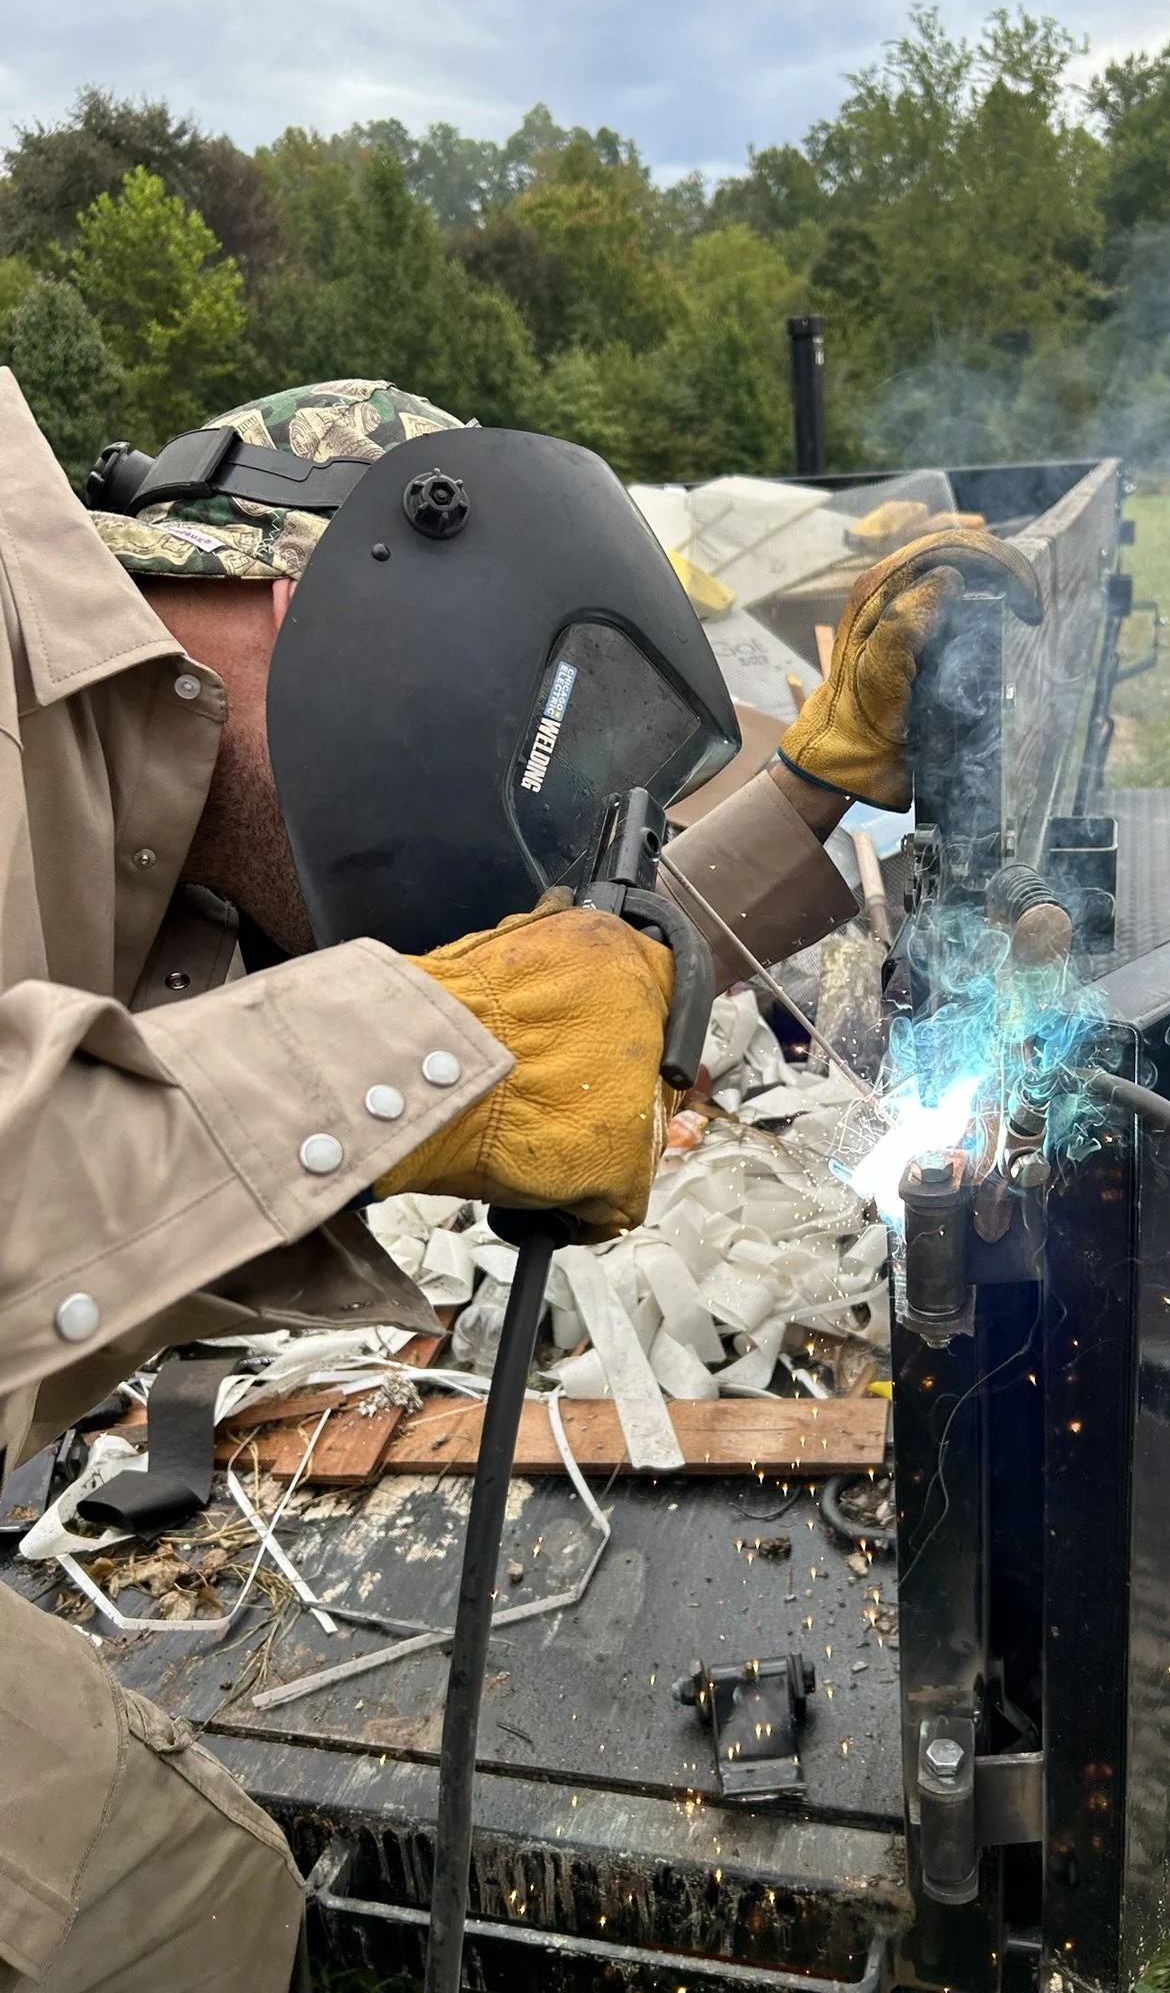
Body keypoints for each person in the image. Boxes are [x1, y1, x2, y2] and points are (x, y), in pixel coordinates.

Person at [0, 370, 1035, 1992]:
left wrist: (816, 784)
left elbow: (551, 971)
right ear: (323, 588)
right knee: (130, 1891)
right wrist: (383, 1041)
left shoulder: (175, 835)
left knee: (172, 1878)